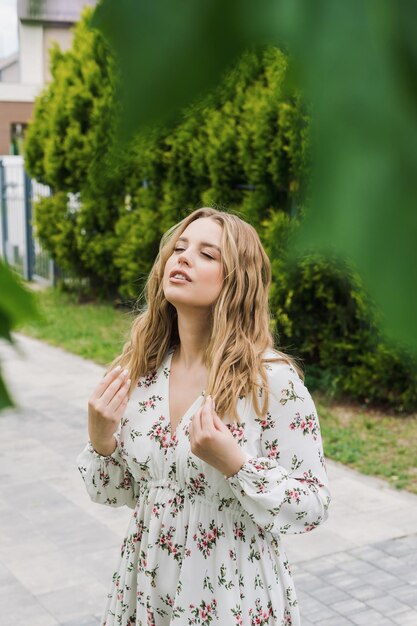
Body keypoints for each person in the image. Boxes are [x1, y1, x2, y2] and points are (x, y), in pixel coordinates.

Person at [77, 207, 331, 626]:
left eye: (207, 254)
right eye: (179, 248)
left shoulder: (270, 382)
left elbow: (313, 505)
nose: (183, 258)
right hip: (147, 586)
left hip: (231, 594)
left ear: (238, 280)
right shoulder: (142, 370)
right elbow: (118, 494)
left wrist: (236, 464)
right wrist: (101, 439)